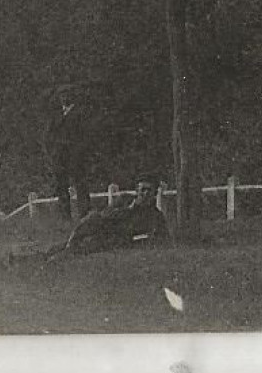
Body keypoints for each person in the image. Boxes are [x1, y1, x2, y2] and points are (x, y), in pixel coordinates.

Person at [45, 178, 168, 260]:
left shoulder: (156, 215)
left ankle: (63, 254)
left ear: (155, 194)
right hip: (104, 228)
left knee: (83, 248)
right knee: (93, 218)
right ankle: (62, 248)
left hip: (118, 239)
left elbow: (161, 238)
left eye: (149, 190)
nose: (145, 193)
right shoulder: (124, 200)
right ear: (137, 190)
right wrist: (130, 209)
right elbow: (106, 214)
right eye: (143, 189)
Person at [42, 84, 92, 222]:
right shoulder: (56, 116)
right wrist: (52, 153)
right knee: (61, 186)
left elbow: (85, 137)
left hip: (75, 157)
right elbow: (48, 136)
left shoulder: (80, 114)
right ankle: (66, 218)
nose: (64, 98)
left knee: (80, 185)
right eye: (61, 95)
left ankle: (85, 215)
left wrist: (78, 152)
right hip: (59, 157)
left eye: (66, 94)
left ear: (72, 96)